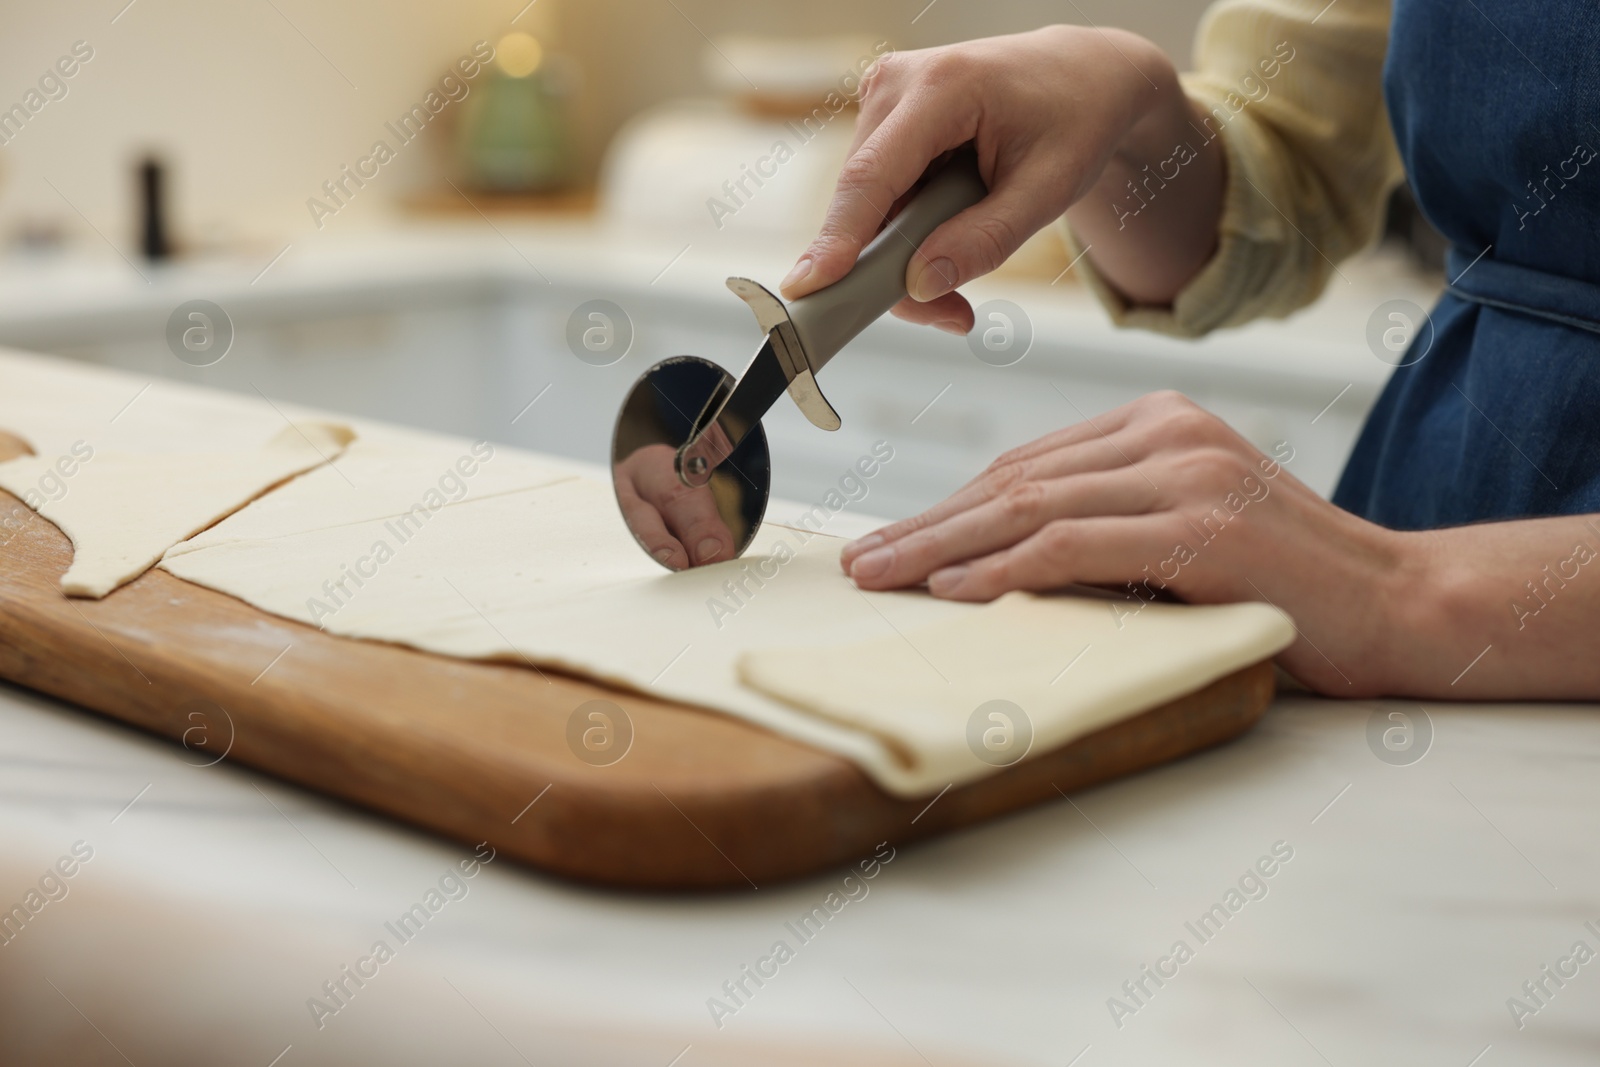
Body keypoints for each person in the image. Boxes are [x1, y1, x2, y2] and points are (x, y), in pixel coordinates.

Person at [779, 0, 1600, 700]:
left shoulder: (1394, 594)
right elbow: (1289, 178)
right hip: (1439, 499)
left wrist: (1398, 592)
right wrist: (1132, 110)